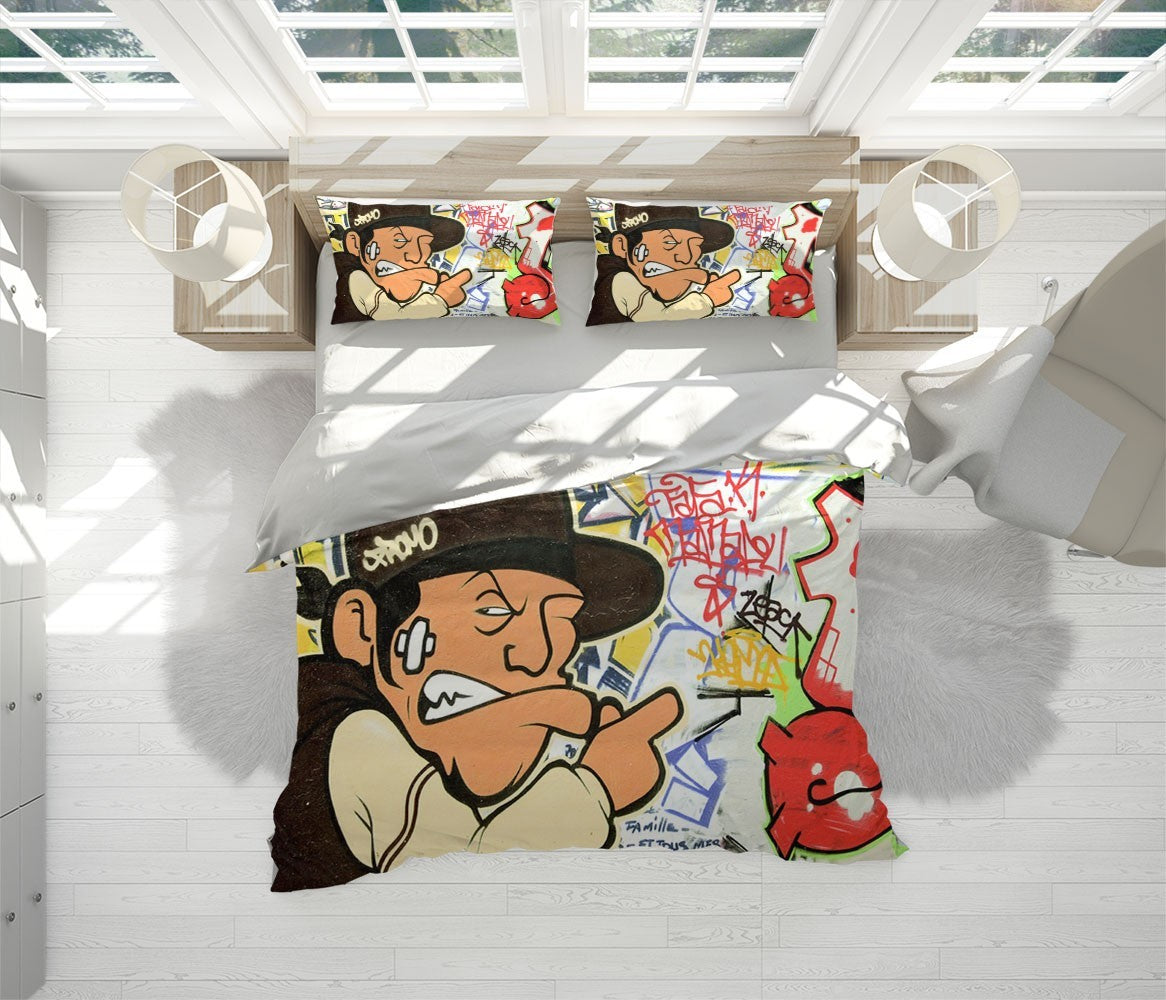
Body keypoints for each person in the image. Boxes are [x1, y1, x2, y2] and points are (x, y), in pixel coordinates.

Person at [271, 492, 684, 891]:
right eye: (492, 610)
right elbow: (470, 857)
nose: (537, 654)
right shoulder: (353, 734)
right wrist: (599, 785)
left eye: (560, 618)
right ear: (360, 628)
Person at [587, 204, 742, 325]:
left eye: (695, 245)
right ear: (621, 246)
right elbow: (661, 314)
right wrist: (708, 299)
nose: (686, 257)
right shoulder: (621, 280)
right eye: (669, 242)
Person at [331, 202, 473, 323]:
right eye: (399, 240)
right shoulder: (355, 277)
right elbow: (391, 312)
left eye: (424, 243)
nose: (416, 256)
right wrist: (441, 298)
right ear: (355, 244)